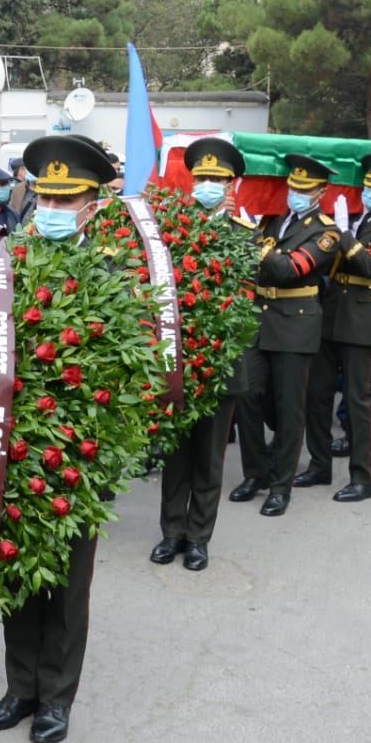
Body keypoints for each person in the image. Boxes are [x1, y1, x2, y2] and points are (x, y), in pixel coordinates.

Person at [0, 134, 117, 743]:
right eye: (48, 196)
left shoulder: (113, 273)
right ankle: (19, 687)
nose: (55, 208)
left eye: (69, 198)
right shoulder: (11, 263)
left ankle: (56, 697)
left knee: (65, 581)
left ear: (94, 204)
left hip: (78, 456)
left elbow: (120, 375)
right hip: (11, 447)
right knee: (17, 572)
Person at [150, 138, 249, 572]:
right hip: (179, 358)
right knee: (176, 451)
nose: (208, 185)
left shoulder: (245, 234)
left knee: (209, 455)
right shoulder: (174, 229)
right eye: (202, 178)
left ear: (233, 185)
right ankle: (171, 531)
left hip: (221, 362)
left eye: (217, 179)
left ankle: (198, 537)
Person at [231, 154, 342, 517]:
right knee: (247, 395)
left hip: (296, 323)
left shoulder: (327, 232)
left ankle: (281, 486)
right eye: (293, 186)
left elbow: (290, 269)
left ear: (321, 192)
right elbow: (257, 265)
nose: (296, 192)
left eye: (304, 188)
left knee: (290, 407)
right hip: (261, 318)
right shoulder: (276, 221)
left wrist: (260, 244)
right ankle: (256, 473)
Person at [295, 154, 371, 502]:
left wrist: (344, 234)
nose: (370, 191)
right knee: (317, 394)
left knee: (359, 400)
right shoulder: (357, 218)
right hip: (332, 313)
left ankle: (363, 478)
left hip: (364, 316)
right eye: (368, 185)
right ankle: (319, 464)